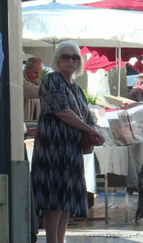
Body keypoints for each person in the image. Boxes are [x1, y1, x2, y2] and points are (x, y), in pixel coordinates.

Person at [31, 41, 105, 243]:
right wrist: (90, 130)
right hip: (53, 150)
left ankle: (59, 241)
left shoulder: (77, 88)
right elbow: (61, 111)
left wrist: (95, 133)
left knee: (66, 201)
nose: (71, 61)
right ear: (57, 59)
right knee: (54, 201)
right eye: (66, 56)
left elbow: (87, 117)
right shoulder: (52, 80)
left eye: (75, 57)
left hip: (71, 152)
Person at [24, 57, 43, 121]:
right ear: (27, 69)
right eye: (35, 72)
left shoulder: (39, 83)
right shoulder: (21, 82)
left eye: (40, 72)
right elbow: (32, 91)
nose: (38, 75)